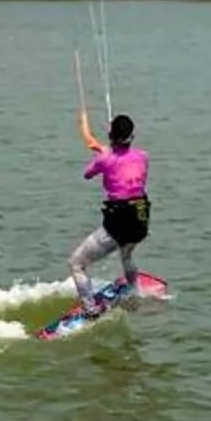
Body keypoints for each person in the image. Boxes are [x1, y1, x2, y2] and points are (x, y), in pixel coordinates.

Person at [71, 108, 150, 316]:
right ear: (132, 136)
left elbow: (88, 174)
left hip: (119, 224)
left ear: (111, 136)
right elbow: (123, 165)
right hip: (141, 221)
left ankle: (90, 309)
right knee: (126, 255)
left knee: (76, 263)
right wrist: (106, 148)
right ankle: (134, 290)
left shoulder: (105, 159)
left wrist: (102, 150)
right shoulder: (143, 157)